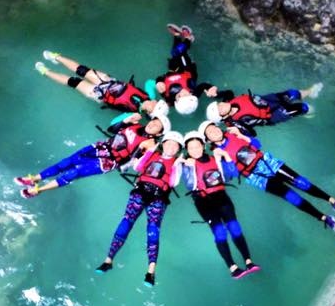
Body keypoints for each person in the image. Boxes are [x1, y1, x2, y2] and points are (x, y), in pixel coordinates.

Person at [200, 120, 335, 230]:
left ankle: (333, 201)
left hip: (267, 162)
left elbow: (257, 145)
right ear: (208, 140)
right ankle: (325, 218)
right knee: (292, 197)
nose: (214, 132)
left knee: (301, 182)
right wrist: (225, 156)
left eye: (214, 128)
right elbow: (233, 174)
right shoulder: (217, 154)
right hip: (256, 176)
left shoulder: (234, 133)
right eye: (210, 133)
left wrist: (241, 135)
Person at [96, 131, 184, 287]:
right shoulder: (152, 154)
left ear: (178, 149)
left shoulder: (177, 163)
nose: (171, 146)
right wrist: (150, 150)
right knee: (126, 222)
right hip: (140, 192)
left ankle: (150, 271)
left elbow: (173, 182)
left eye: (175, 145)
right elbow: (137, 167)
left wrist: (178, 165)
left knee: (153, 229)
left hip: (158, 197)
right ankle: (108, 260)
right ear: (163, 144)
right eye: (169, 143)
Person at [17, 112, 170, 198]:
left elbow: (133, 165)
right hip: (101, 147)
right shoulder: (135, 124)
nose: (152, 124)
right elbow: (112, 130)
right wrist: (126, 120)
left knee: (75, 172)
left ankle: (37, 190)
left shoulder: (151, 145)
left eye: (157, 125)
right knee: (67, 162)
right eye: (153, 121)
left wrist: (142, 150)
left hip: (110, 161)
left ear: (160, 133)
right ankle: (34, 179)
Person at [181, 130, 259, 279]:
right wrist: (190, 168)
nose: (195, 150)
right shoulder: (187, 164)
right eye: (191, 148)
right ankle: (233, 267)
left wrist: (226, 156)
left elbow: (233, 175)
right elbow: (190, 185)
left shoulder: (215, 158)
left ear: (203, 146)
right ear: (187, 150)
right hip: (203, 201)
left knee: (235, 227)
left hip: (222, 197)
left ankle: (249, 261)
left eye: (197, 146)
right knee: (220, 232)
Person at [35, 51, 168, 118]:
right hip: (109, 82)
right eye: (158, 102)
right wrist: (159, 84)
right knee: (82, 70)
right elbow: (149, 83)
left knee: (73, 81)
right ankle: (56, 57)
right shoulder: (148, 95)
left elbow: (113, 124)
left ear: (151, 111)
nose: (156, 101)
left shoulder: (132, 112)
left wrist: (128, 120)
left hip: (99, 94)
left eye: (157, 105)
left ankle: (46, 72)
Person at [154, 24, 219, 116]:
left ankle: (177, 36)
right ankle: (188, 38)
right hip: (187, 68)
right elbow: (203, 86)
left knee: (175, 54)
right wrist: (211, 88)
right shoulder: (194, 93)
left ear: (176, 100)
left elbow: (160, 78)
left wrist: (158, 82)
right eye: (187, 95)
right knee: (177, 52)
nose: (183, 93)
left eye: (179, 96)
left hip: (172, 71)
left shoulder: (168, 97)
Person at [205, 84, 319, 136]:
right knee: (302, 108)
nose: (222, 105)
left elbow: (229, 93)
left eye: (219, 104)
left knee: (293, 93)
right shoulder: (236, 123)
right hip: (272, 116)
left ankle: (310, 92)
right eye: (219, 109)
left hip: (267, 100)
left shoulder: (227, 102)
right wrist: (239, 132)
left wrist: (217, 94)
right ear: (223, 117)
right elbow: (252, 134)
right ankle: (310, 113)